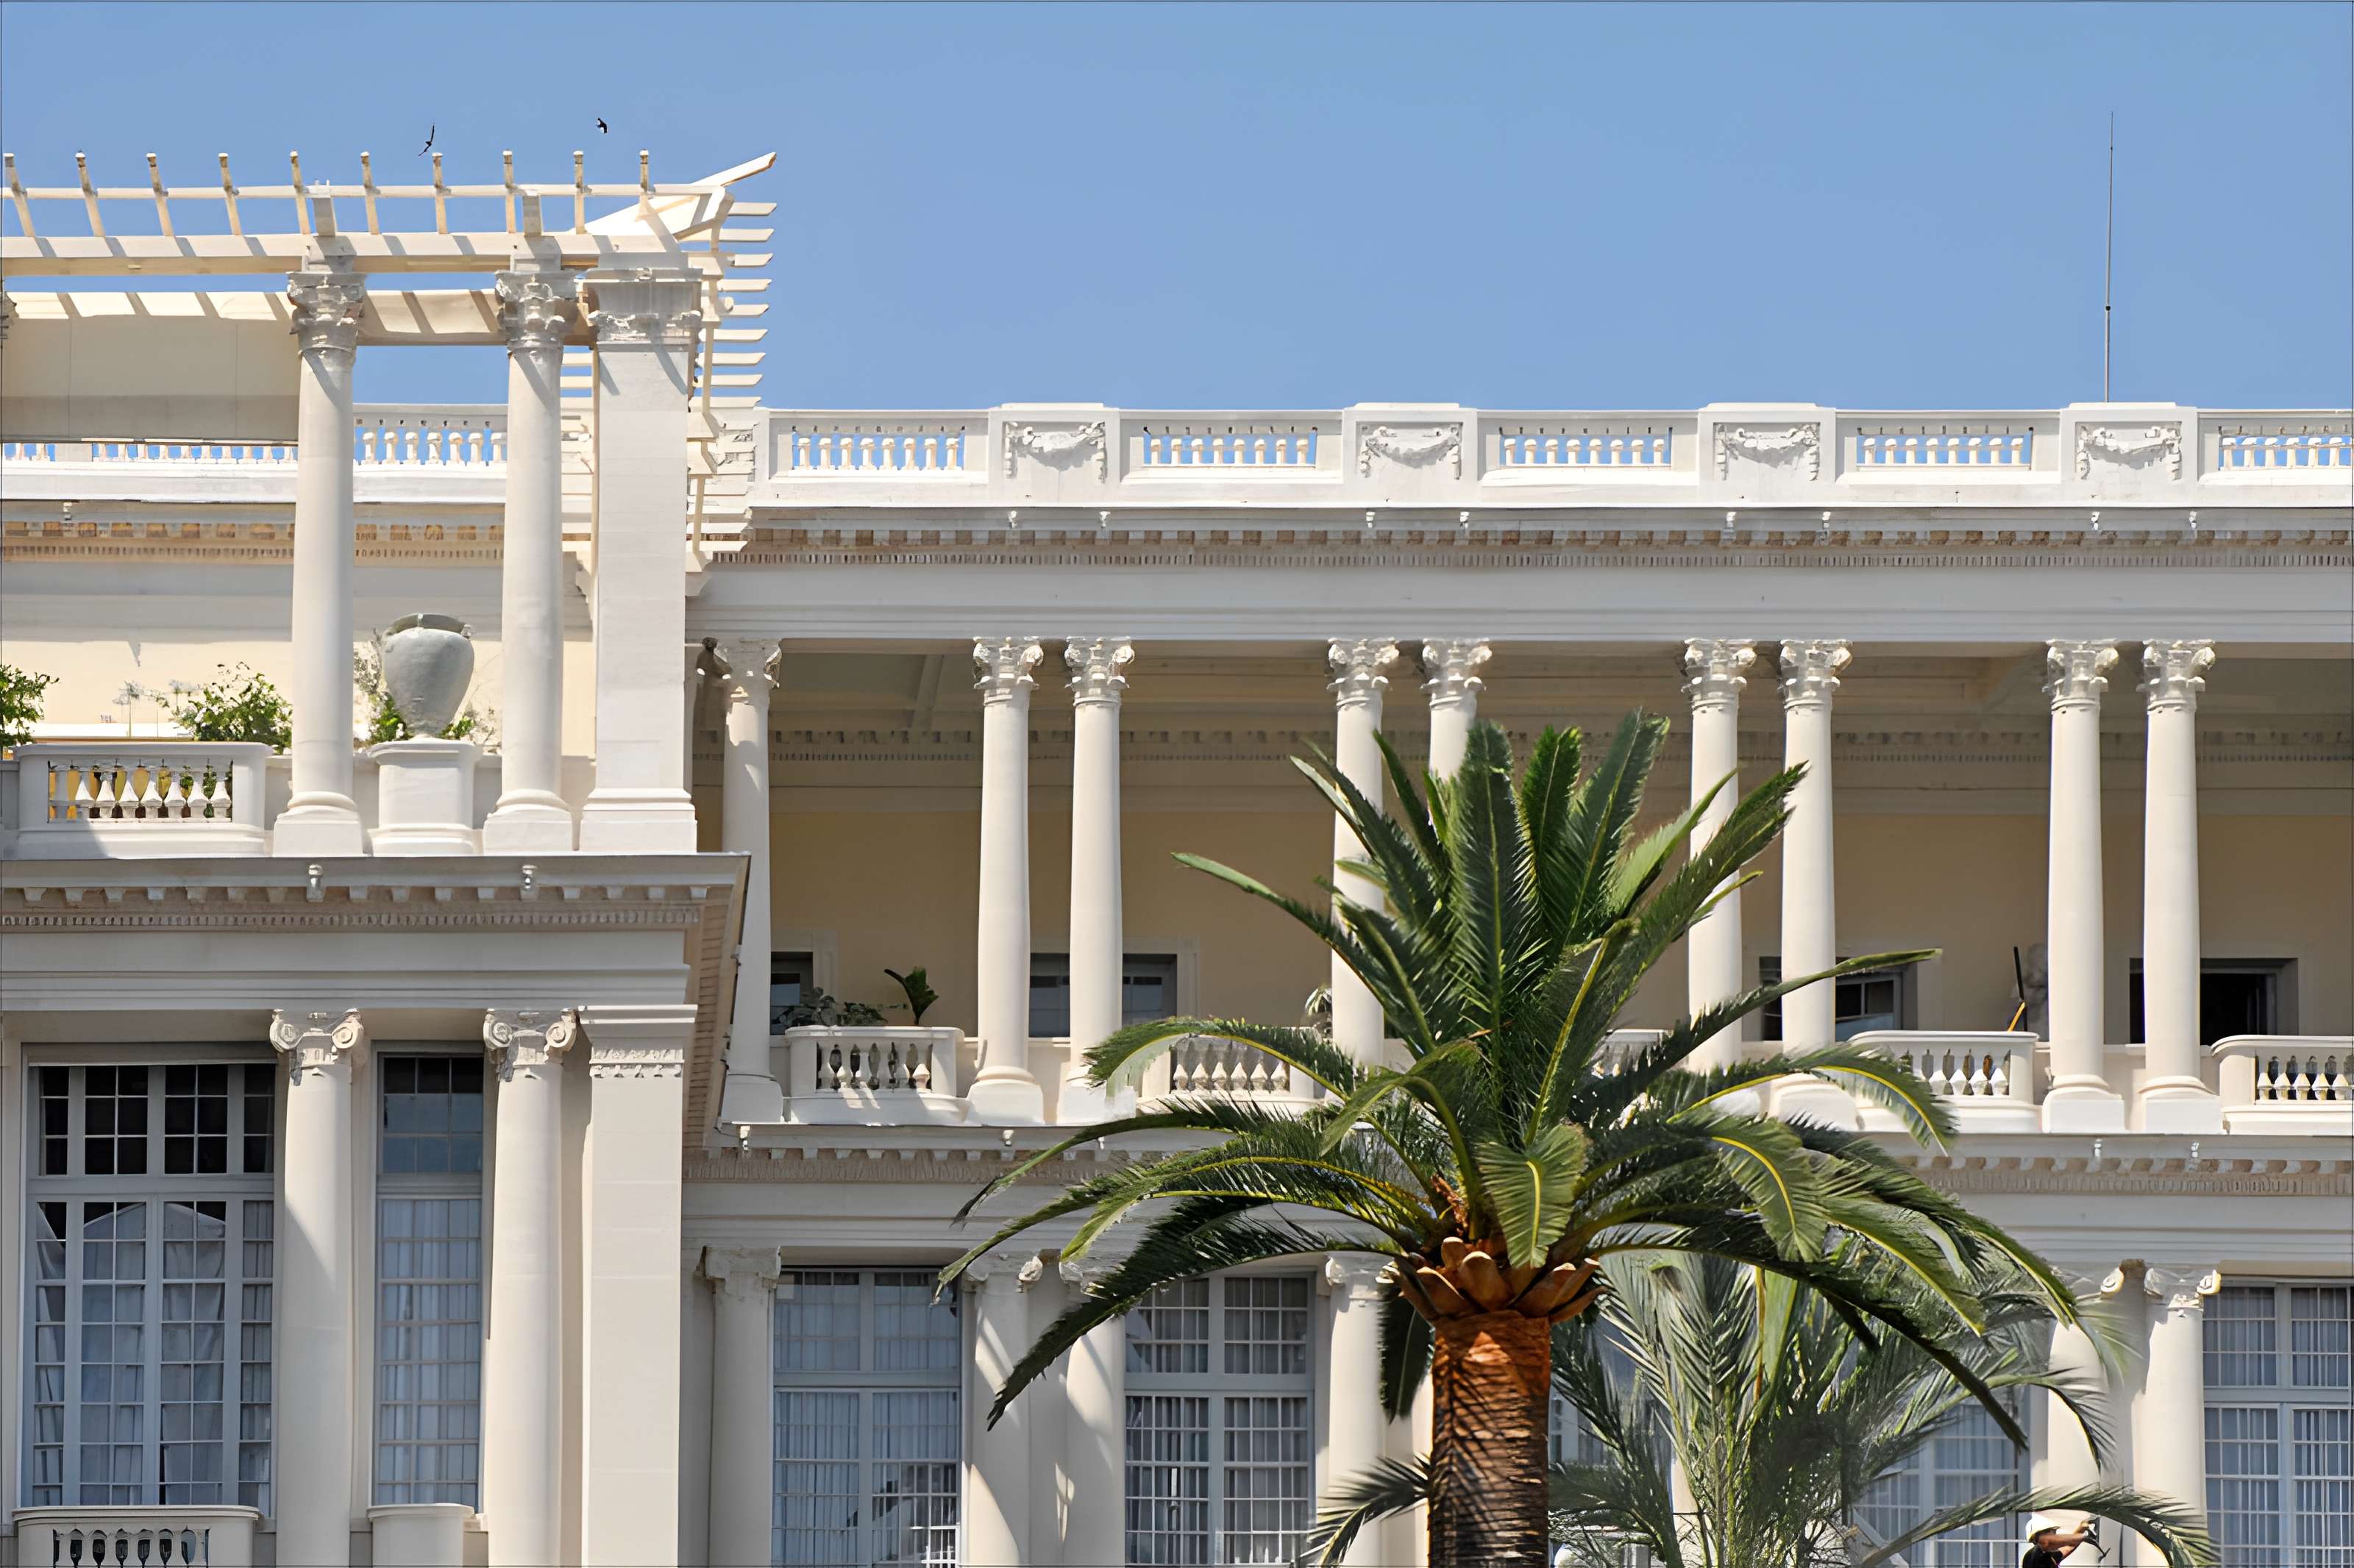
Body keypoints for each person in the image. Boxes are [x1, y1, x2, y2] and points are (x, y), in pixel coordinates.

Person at [2024, 1521, 2092, 1567]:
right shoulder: (2035, 1556)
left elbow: (2068, 1549)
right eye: (2053, 1532)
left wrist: (2081, 1531)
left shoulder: (2046, 1555)